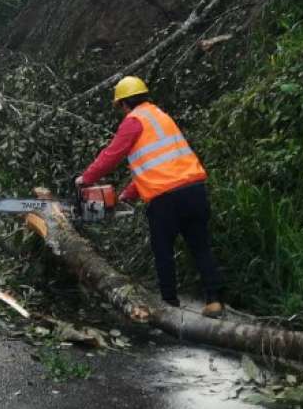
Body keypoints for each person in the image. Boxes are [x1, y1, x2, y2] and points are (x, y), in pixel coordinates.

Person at [75, 77, 225, 318]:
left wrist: (86, 179)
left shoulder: (133, 122)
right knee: (200, 246)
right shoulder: (161, 117)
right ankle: (214, 300)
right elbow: (158, 164)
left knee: (162, 249)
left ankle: (169, 304)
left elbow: (112, 155)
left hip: (166, 198)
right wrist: (128, 194)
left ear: (124, 104)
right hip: (194, 189)